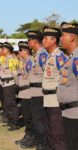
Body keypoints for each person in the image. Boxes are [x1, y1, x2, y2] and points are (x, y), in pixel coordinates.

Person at [42, 26, 67, 150]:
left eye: (46, 38)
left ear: (53, 40)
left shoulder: (59, 56)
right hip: (47, 99)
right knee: (50, 131)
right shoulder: (49, 56)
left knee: (57, 133)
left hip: (56, 100)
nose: (43, 41)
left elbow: (66, 78)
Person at [57, 22, 78, 150]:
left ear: (71, 37)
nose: (60, 38)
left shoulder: (76, 57)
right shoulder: (70, 57)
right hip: (69, 112)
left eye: (62, 36)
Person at [26, 30, 48, 150]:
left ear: (35, 41)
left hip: (40, 93)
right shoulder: (37, 55)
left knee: (40, 121)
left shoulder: (43, 55)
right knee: (36, 120)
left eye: (29, 40)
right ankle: (39, 143)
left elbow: (48, 74)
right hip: (35, 93)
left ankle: (43, 145)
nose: (28, 42)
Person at [0, 42, 20, 131]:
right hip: (5, 83)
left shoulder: (11, 59)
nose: (2, 50)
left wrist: (16, 84)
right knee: (7, 103)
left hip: (10, 83)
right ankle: (10, 119)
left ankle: (15, 122)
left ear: (8, 50)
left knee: (11, 103)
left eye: (4, 49)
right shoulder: (5, 59)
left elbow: (14, 73)